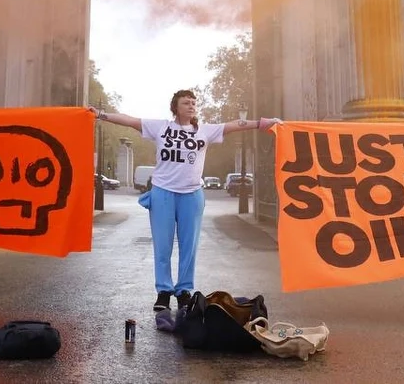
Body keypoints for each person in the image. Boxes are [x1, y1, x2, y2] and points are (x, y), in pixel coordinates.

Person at [95, 90, 280, 312]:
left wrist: (262, 123)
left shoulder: (205, 130)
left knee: (188, 246)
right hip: (163, 192)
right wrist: (101, 114)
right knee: (162, 245)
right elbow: (129, 120)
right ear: (175, 107)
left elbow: (234, 125)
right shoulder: (161, 127)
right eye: (186, 102)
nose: (191, 106)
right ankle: (163, 292)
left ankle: (183, 291)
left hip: (191, 195)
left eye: (193, 103)